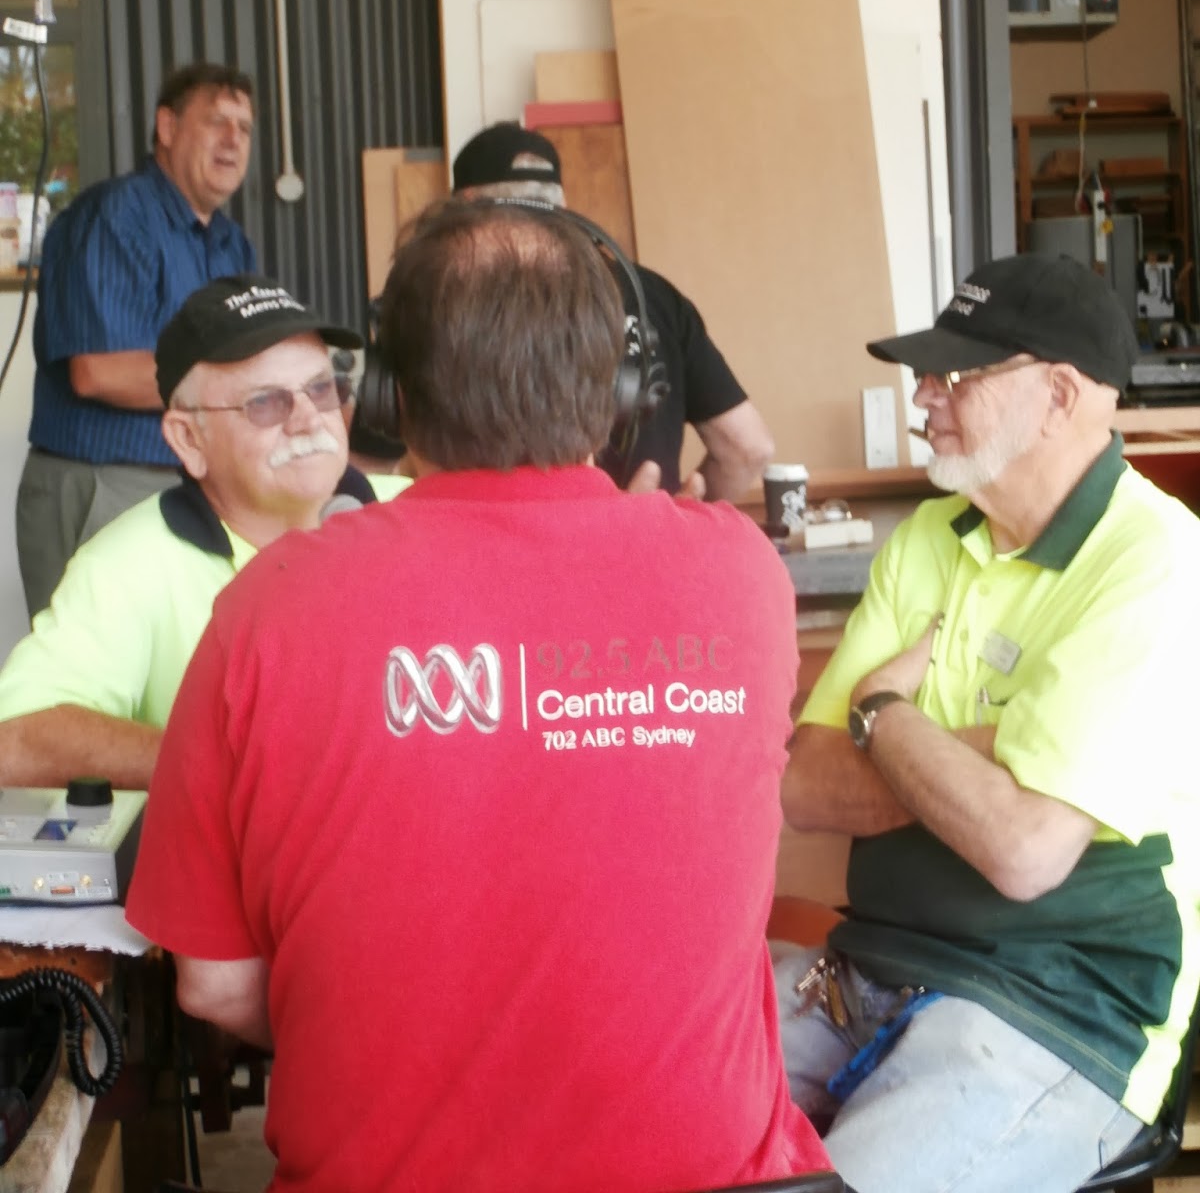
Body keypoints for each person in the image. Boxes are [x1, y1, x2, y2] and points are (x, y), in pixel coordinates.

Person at [127, 196, 831, 1192]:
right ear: (620, 393)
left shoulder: (266, 608)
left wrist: (393, 1032)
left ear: (392, 400)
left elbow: (213, 984)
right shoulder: (741, 575)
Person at [774, 251, 1200, 1193]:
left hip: (1057, 1009)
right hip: (869, 967)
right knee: (631, 1094)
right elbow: (803, 786)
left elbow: (1023, 848)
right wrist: (990, 762)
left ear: (1059, 395)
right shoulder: (929, 538)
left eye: (956, 375)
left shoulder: (1154, 557)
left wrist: (885, 715)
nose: (924, 396)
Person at [0, 274, 363, 791]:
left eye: (322, 389)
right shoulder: (128, 564)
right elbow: (17, 738)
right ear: (190, 439)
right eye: (266, 402)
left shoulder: (415, 508)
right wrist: (233, 769)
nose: (310, 420)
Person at [16, 61, 258, 618]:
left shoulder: (231, 244)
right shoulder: (116, 216)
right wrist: (232, 386)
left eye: (244, 128)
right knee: (92, 666)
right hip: (106, 484)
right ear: (167, 127)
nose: (233, 139)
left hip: (192, 485)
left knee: (180, 664)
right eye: (217, 121)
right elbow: (98, 371)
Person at [451, 120, 774, 499]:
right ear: (562, 205)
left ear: (463, 208)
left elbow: (388, 464)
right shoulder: (652, 295)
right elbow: (747, 448)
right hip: (649, 535)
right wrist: (680, 519)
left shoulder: (448, 303)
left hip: (494, 535)